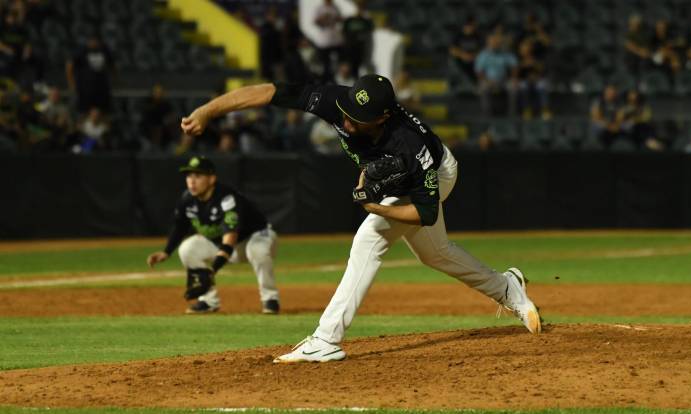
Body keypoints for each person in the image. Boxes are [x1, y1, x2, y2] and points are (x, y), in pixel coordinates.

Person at [180, 74, 542, 363]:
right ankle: (507, 287)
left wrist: (379, 208)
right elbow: (269, 92)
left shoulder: (409, 144)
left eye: (360, 119)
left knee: (371, 236)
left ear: (383, 117)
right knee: (435, 253)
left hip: (434, 177)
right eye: (349, 112)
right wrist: (209, 111)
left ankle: (326, 339)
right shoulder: (337, 102)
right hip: (397, 182)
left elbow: (425, 211)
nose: (350, 121)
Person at [146, 156, 280, 314]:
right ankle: (208, 301)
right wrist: (166, 251)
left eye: (198, 176)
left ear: (211, 179)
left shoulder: (226, 199)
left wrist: (213, 269)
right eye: (189, 176)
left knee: (257, 250)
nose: (192, 181)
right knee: (188, 249)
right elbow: (180, 227)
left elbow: (230, 238)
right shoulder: (187, 199)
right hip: (222, 245)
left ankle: (270, 298)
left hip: (255, 238)